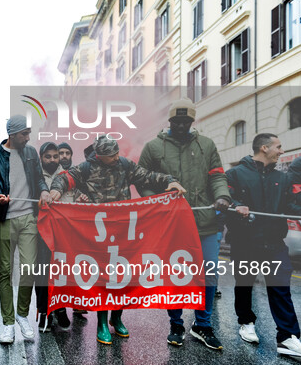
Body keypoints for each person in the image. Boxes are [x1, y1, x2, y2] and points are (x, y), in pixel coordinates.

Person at [50, 135, 184, 345]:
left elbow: (147, 176)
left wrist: (169, 181)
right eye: (111, 156)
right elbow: (64, 178)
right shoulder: (86, 168)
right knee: (104, 279)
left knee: (122, 277)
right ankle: (102, 323)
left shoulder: (124, 165)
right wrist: (56, 190)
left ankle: (117, 317)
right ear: (100, 156)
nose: (115, 158)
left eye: (116, 154)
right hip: (97, 234)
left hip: (123, 231)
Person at [138, 98, 230, 350]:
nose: (181, 126)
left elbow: (217, 175)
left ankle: (203, 324)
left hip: (206, 223)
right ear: (169, 122)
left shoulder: (206, 145)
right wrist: (155, 202)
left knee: (209, 271)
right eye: (176, 122)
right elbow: (141, 180)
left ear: (192, 122)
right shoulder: (153, 147)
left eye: (186, 121)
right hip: (171, 224)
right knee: (176, 274)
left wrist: (222, 195)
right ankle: (176, 324)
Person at [227, 133, 301, 358]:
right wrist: (236, 206)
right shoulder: (235, 174)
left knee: (280, 288)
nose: (281, 151)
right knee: (244, 284)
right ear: (264, 148)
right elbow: (225, 200)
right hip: (245, 242)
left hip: (274, 242)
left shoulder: (281, 178)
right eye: (278, 147)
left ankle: (287, 337)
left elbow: (288, 204)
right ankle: (246, 322)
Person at [0, 115, 50, 344]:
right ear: (12, 134)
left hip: (28, 217)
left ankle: (22, 314)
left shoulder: (31, 152)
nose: (28, 137)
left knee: (30, 268)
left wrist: (43, 191)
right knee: (5, 270)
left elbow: (40, 179)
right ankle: (8, 323)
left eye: (28, 133)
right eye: (24, 133)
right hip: (5, 219)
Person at [35, 142, 71, 331]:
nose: (52, 159)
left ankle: (61, 308)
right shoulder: (35, 175)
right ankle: (44, 312)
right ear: (41, 157)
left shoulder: (68, 175)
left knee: (62, 273)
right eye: (48, 156)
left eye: (55, 156)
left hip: (63, 232)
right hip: (40, 232)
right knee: (41, 272)